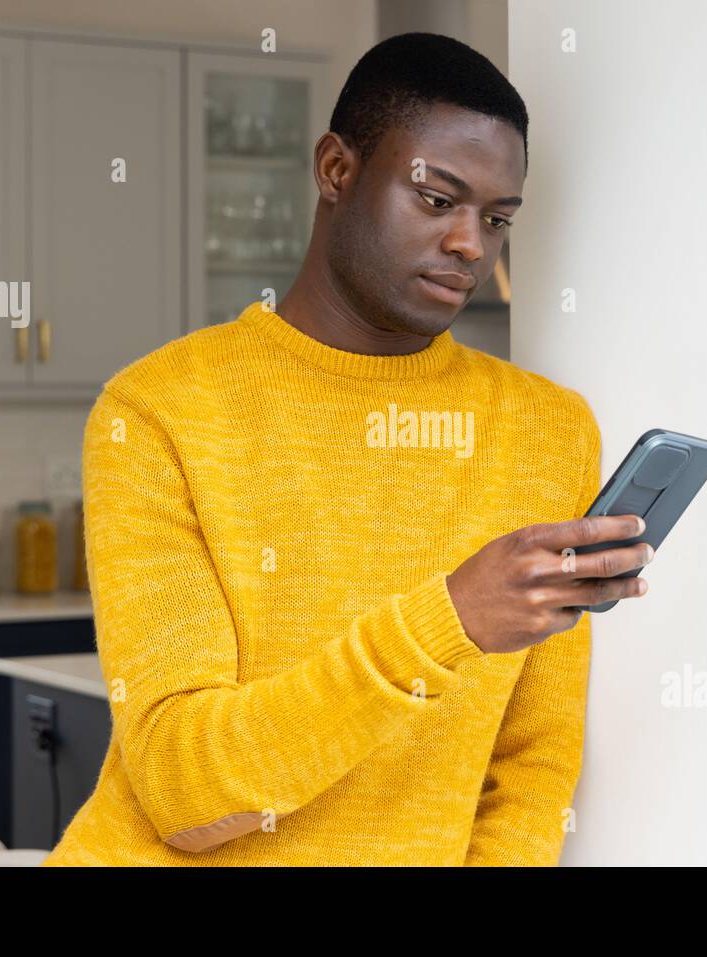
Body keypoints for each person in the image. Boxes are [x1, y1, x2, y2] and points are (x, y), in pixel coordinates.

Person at [43, 31, 652, 868]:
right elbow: (185, 794)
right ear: (336, 170)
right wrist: (449, 623)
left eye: (497, 218)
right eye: (438, 199)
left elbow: (532, 765)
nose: (472, 244)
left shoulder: (547, 430)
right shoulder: (157, 411)